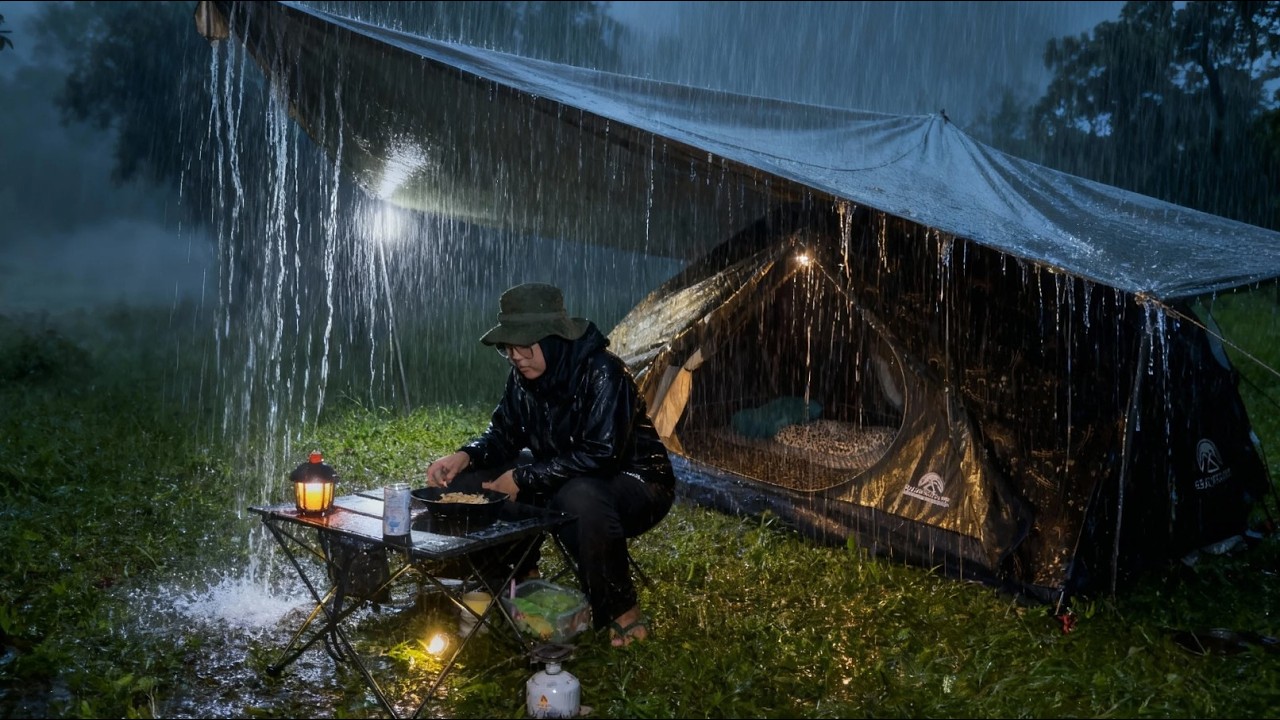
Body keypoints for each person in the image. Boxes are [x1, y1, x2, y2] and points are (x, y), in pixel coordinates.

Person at [426, 282, 676, 647]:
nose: (516, 356)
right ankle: (519, 579)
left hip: (636, 483)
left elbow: (602, 454)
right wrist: (465, 455)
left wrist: (524, 478)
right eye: (509, 348)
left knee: (578, 496)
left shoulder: (604, 371)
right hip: (562, 476)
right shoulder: (521, 379)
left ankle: (623, 610)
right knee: (476, 483)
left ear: (556, 339)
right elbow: (502, 435)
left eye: (525, 346)